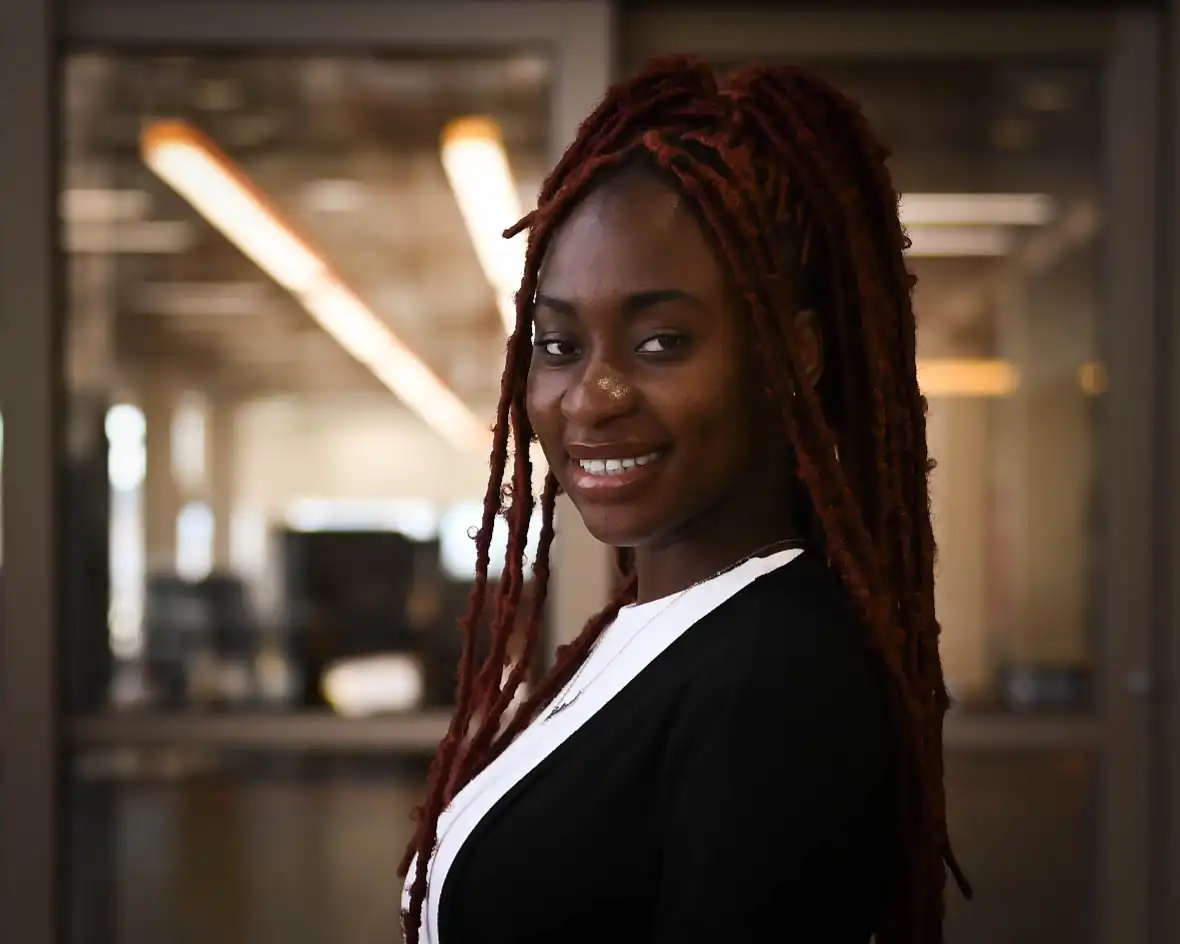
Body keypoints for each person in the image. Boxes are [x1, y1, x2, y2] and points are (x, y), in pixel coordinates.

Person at [399, 54, 972, 944]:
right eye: (558, 347)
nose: (592, 396)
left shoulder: (775, 678)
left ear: (795, 353)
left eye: (661, 342)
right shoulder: (648, 631)